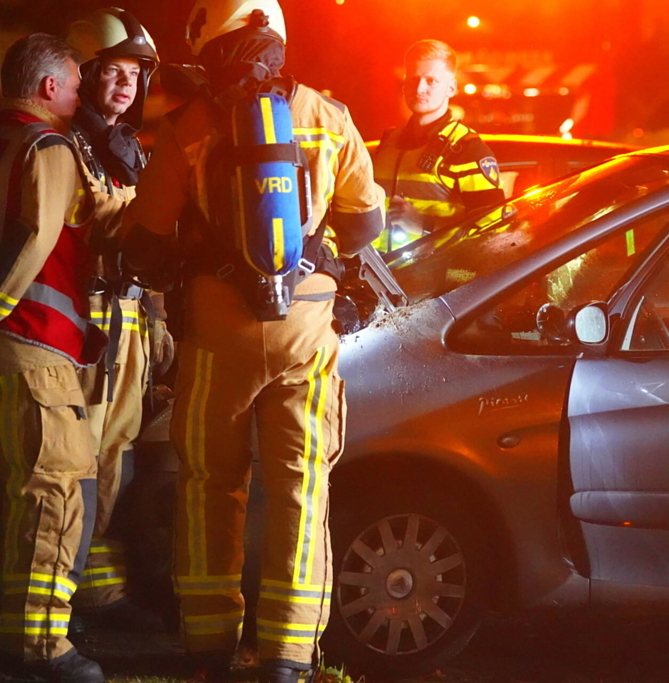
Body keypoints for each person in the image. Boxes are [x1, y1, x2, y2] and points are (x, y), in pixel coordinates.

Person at [119, 1, 385, 681]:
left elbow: (148, 238)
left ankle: (209, 642)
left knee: (213, 483)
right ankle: (288, 655)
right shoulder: (329, 116)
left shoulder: (193, 127)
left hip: (218, 333)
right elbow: (364, 226)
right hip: (308, 330)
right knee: (301, 485)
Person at [0, 33, 107, 683]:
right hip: (37, 345)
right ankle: (40, 647)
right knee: (52, 493)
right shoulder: (48, 147)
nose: (78, 98)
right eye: (72, 87)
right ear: (47, 89)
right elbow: (38, 236)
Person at [64, 7, 169, 634]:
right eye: (113, 71)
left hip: (125, 334)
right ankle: (50, 603)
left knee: (112, 465)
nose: (127, 84)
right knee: (74, 472)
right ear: (84, 73)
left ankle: (94, 595)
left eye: (135, 73)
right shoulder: (67, 142)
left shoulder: (120, 147)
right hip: (82, 335)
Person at [372, 39, 504, 253]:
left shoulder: (467, 150)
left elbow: (494, 230)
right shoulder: (389, 142)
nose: (420, 88)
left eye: (431, 80)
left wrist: (424, 224)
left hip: (437, 280)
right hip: (378, 277)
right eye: (413, 79)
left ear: (451, 87)